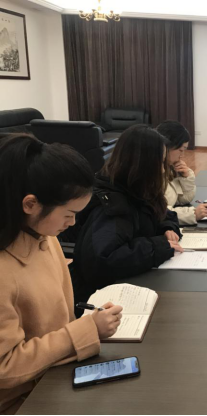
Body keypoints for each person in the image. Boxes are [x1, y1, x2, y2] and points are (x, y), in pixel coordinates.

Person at [0, 135, 123, 414]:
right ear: (30, 204)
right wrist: (87, 330)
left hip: (55, 375)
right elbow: (5, 369)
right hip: (24, 400)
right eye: (69, 214)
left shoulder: (44, 236)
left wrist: (86, 326)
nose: (73, 222)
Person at [71, 125, 184, 305]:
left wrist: (167, 227)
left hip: (135, 282)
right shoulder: (112, 205)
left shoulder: (137, 188)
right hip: (107, 299)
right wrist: (157, 246)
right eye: (160, 163)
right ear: (143, 164)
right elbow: (104, 259)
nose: (163, 170)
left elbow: (163, 213)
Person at [156, 121, 207, 225]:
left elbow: (182, 200)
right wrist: (192, 214)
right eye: (181, 150)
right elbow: (157, 213)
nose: (182, 155)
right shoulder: (151, 174)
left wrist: (186, 177)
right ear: (166, 147)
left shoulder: (169, 167)